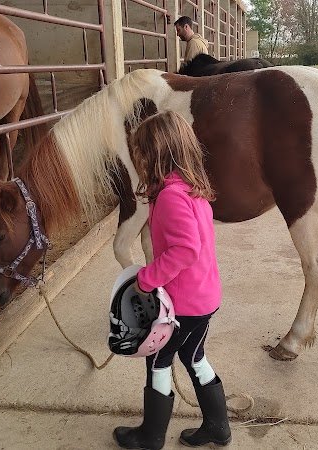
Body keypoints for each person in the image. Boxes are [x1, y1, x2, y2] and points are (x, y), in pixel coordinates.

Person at [113, 111, 231, 449]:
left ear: (157, 154)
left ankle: (150, 437)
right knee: (194, 357)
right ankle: (217, 427)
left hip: (183, 306)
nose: (138, 160)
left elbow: (185, 250)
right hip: (205, 298)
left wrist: (147, 279)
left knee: (157, 362)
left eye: (141, 153)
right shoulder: (193, 190)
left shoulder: (169, 197)